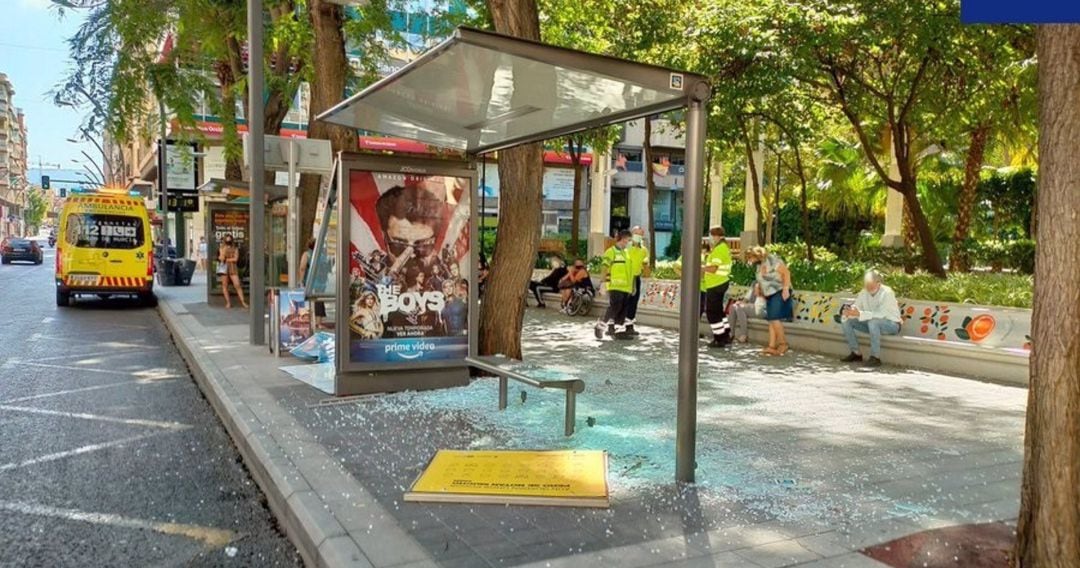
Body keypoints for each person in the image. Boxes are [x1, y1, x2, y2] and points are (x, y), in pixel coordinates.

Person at [841, 270, 902, 367]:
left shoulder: (887, 292)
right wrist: (850, 311)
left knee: (873, 322)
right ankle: (856, 353)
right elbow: (857, 306)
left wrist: (859, 314)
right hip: (871, 324)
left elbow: (881, 314)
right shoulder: (863, 292)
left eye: (870, 285)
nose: (868, 288)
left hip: (892, 325)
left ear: (878, 283)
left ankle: (875, 358)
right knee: (847, 321)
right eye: (866, 285)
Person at [746, 246, 792, 356]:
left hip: (780, 291)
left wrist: (785, 289)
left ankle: (783, 343)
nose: (749, 260)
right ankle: (771, 346)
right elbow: (761, 279)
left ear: (757, 255)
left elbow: (786, 273)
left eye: (750, 257)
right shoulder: (759, 265)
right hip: (769, 293)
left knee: (774, 318)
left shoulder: (772, 260)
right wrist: (758, 286)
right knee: (771, 319)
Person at [594, 230, 635, 340]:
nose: (630, 242)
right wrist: (602, 282)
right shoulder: (611, 252)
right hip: (614, 285)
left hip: (626, 287)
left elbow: (630, 272)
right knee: (615, 307)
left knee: (623, 309)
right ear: (624, 239)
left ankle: (619, 330)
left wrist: (632, 286)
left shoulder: (627, 253)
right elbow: (604, 267)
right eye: (629, 240)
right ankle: (600, 326)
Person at [701, 226, 733, 348]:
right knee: (719, 311)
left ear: (717, 236)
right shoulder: (722, 248)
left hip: (715, 283)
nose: (710, 238)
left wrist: (699, 268)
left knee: (712, 312)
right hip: (720, 282)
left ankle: (719, 338)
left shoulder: (719, 250)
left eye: (711, 235)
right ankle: (726, 335)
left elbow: (713, 268)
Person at [624, 226, 649, 337]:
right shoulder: (625, 247)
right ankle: (615, 325)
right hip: (624, 278)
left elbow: (646, 265)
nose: (638, 236)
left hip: (635, 278)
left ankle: (629, 326)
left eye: (640, 234)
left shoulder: (644, 250)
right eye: (636, 234)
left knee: (633, 303)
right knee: (622, 302)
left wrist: (646, 264)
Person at [298, 238, 327, 327]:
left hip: (310, 281)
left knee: (310, 301)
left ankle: (311, 321)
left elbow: (302, 268)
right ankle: (319, 322)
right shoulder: (322, 255)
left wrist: (300, 280)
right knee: (319, 301)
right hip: (321, 282)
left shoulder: (307, 255)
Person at [218, 234, 247, 309]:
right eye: (227, 240)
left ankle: (243, 302)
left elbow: (236, 259)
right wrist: (224, 251)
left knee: (237, 284)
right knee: (225, 285)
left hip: (233, 267)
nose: (228, 242)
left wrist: (226, 259)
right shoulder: (222, 248)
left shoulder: (235, 248)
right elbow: (221, 258)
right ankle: (228, 302)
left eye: (229, 240)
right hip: (224, 267)